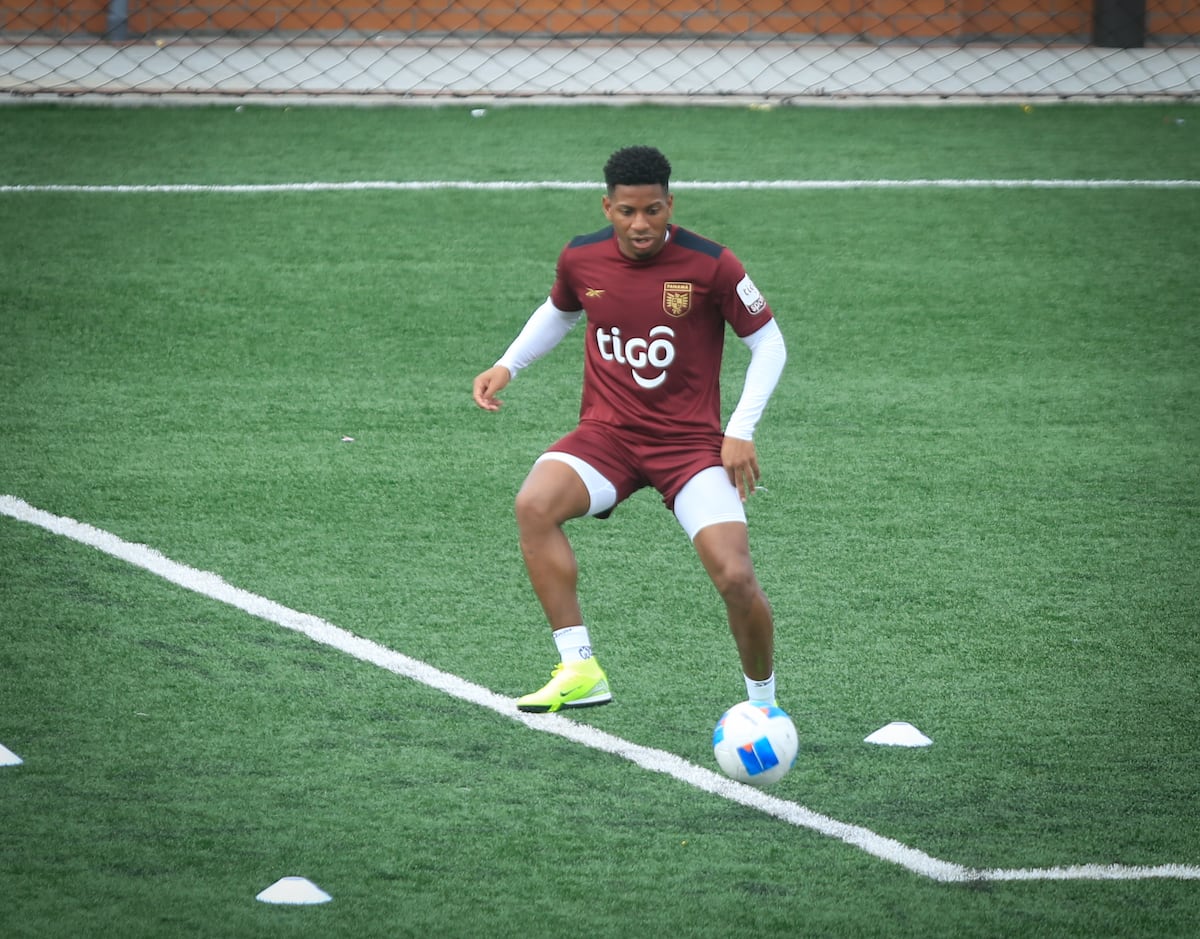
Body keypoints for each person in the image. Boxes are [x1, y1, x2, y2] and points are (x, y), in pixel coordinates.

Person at [472, 145, 787, 714]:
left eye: (652, 211)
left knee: (736, 577)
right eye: (626, 212)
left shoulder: (712, 264)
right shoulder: (581, 258)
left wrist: (740, 428)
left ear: (670, 204)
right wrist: (507, 364)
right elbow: (561, 310)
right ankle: (579, 667)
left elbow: (769, 341)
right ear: (607, 207)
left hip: (689, 448)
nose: (639, 225)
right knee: (534, 505)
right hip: (608, 436)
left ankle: (763, 705)